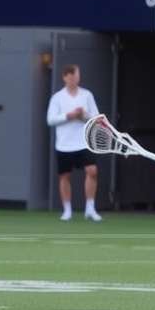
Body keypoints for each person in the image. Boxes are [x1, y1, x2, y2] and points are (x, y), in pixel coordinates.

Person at [46, 64, 102, 221]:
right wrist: (69, 116)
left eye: (75, 75)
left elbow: (97, 119)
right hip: (64, 144)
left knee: (92, 171)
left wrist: (83, 116)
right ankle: (67, 210)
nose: (73, 79)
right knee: (65, 176)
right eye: (70, 76)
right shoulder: (57, 98)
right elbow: (50, 120)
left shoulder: (87, 95)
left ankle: (90, 208)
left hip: (84, 142)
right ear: (65, 78)